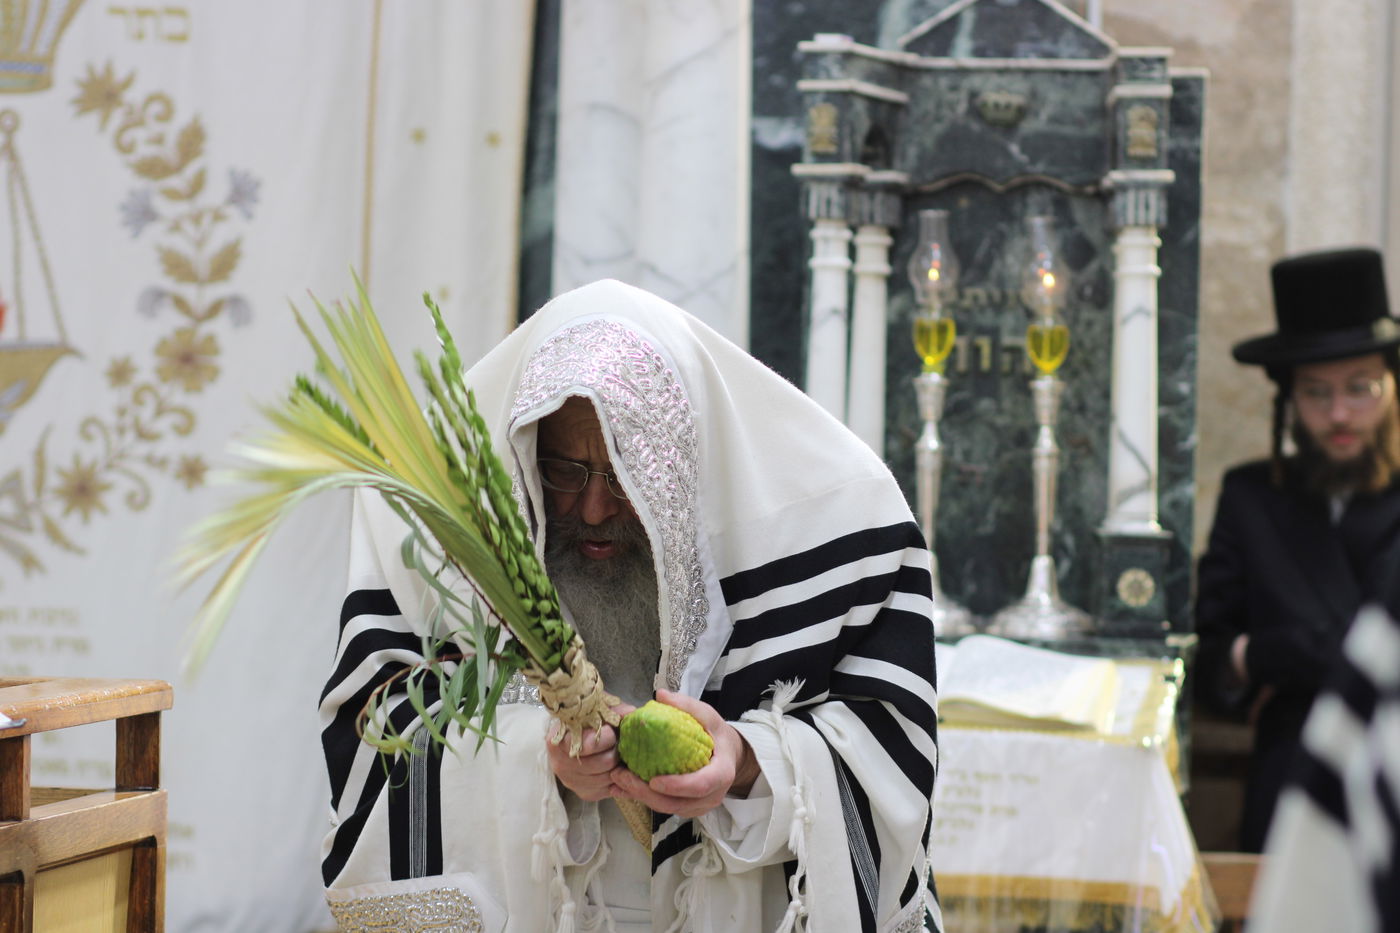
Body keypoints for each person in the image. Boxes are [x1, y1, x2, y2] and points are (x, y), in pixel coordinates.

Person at [316, 280, 942, 931]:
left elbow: (891, 756)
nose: (593, 509)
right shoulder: (427, 537)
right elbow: (368, 742)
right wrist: (544, 761)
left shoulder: (835, 524)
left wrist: (743, 760)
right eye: (564, 470)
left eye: (625, 473)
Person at [1194, 247, 1400, 853]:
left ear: (1393, 387)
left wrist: (1270, 654)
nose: (1339, 415)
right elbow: (1208, 661)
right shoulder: (1251, 497)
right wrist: (1239, 664)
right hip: (1290, 787)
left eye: (1360, 388)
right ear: (1289, 402)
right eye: (1316, 393)